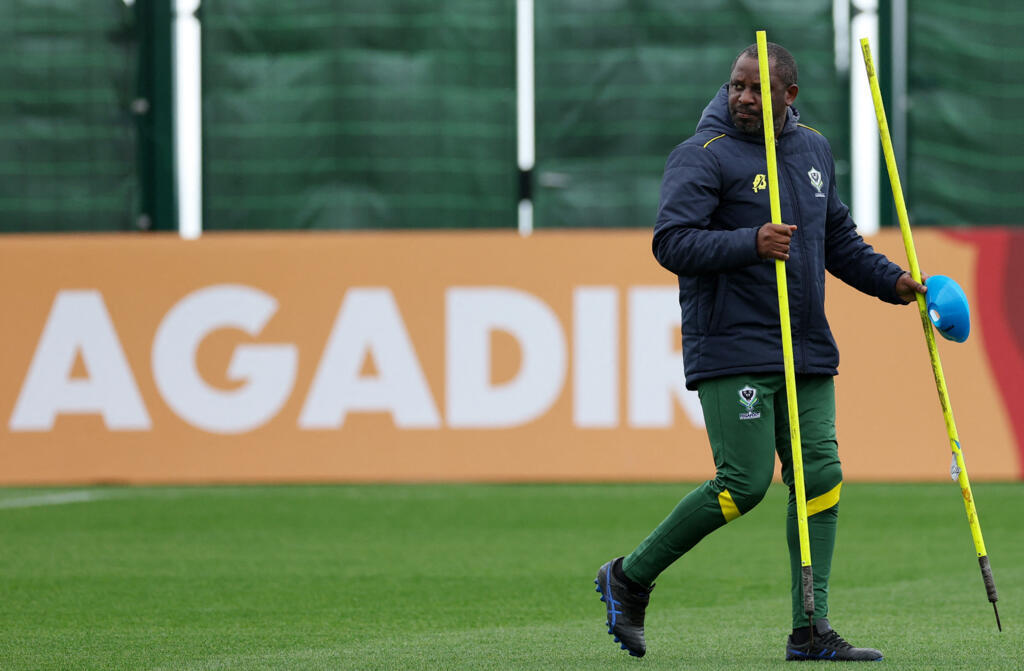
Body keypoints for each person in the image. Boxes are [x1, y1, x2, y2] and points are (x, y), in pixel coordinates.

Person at [594, 42, 926, 662]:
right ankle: (628, 577)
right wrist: (750, 241)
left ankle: (811, 629)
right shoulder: (701, 156)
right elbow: (672, 243)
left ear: (788, 97)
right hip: (734, 345)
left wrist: (893, 282)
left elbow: (839, 241)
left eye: (756, 89)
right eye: (735, 87)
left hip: (805, 351)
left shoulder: (814, 150)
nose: (742, 98)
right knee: (743, 484)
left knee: (821, 479)